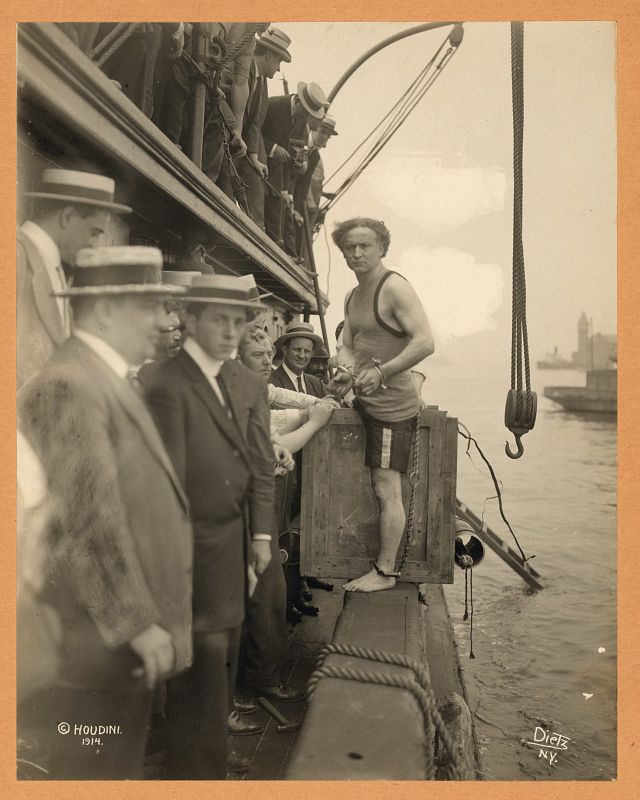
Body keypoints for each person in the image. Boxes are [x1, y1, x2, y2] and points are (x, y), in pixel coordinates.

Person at [18, 246, 193, 779]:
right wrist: (135, 623)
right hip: (94, 652)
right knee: (92, 770)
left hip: (113, 649)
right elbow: (84, 517)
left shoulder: (107, 375)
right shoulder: (69, 385)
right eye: (152, 306)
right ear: (107, 309)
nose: (168, 321)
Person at [143, 274, 275, 779]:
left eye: (237, 322)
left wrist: (261, 536)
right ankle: (192, 766)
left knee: (222, 657)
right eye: (218, 320)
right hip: (189, 546)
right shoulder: (165, 383)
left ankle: (209, 752)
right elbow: (166, 488)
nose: (229, 331)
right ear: (190, 319)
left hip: (236, 540)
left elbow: (261, 464)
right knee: (193, 662)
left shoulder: (246, 381)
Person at [329, 218, 435, 593]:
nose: (356, 253)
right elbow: (348, 343)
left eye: (365, 246)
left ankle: (386, 572)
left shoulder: (394, 288)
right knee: (370, 482)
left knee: (386, 487)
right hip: (365, 401)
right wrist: (344, 371)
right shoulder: (352, 296)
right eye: (349, 247)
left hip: (393, 407)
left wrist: (383, 372)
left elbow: (425, 342)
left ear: (381, 249)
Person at [236, 325, 333, 700]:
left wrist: (316, 404)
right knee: (267, 593)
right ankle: (259, 680)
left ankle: (250, 676)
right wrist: (313, 421)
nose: (268, 362)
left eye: (268, 356)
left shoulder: (256, 387)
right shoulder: (240, 393)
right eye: (258, 356)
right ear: (238, 359)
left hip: (252, 502)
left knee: (262, 593)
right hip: (243, 504)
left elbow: (280, 396)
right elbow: (276, 433)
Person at [17, 168, 130, 387]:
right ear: (67, 217)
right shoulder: (15, 256)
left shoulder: (56, 269)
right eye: (94, 232)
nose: (95, 244)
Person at [230, 27, 293, 227]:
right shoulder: (241, 68)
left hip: (239, 148)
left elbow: (255, 122)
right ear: (268, 55)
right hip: (225, 140)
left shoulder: (262, 83)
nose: (279, 68)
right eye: (279, 61)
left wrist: (255, 158)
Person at [262, 82, 328, 252]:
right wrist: (274, 149)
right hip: (258, 163)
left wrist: (298, 167)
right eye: (306, 113)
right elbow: (253, 131)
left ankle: (277, 247)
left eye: (309, 115)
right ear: (297, 101)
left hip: (278, 175)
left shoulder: (302, 123)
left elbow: (294, 161)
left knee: (281, 209)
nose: (306, 119)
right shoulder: (273, 105)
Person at [270, 320, 327, 398]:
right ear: (285, 350)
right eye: (297, 349)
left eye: (307, 351)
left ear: (312, 354)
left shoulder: (316, 384)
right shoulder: (270, 381)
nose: (302, 356)